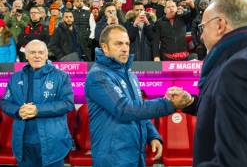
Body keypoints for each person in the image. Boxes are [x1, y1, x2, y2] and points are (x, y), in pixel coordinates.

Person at [166, 0, 247, 166]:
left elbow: (235, 162)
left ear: (220, 25)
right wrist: (191, 102)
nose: (201, 35)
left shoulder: (243, 68)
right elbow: (227, 108)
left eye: (203, 27)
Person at [84, 24, 188, 167]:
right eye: (119, 43)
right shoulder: (98, 76)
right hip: (112, 157)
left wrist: (152, 135)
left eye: (127, 43)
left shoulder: (131, 75)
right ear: (105, 48)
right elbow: (125, 109)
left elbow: (138, 110)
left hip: (135, 154)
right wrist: (169, 104)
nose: (125, 48)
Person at [0, 39, 74, 167]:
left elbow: (67, 103)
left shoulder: (61, 76)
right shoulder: (15, 77)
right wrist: (17, 111)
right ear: (26, 55)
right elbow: (5, 102)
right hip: (23, 144)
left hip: (53, 143)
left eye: (41, 52)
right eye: (32, 52)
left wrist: (38, 110)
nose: (37, 55)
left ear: (46, 55)